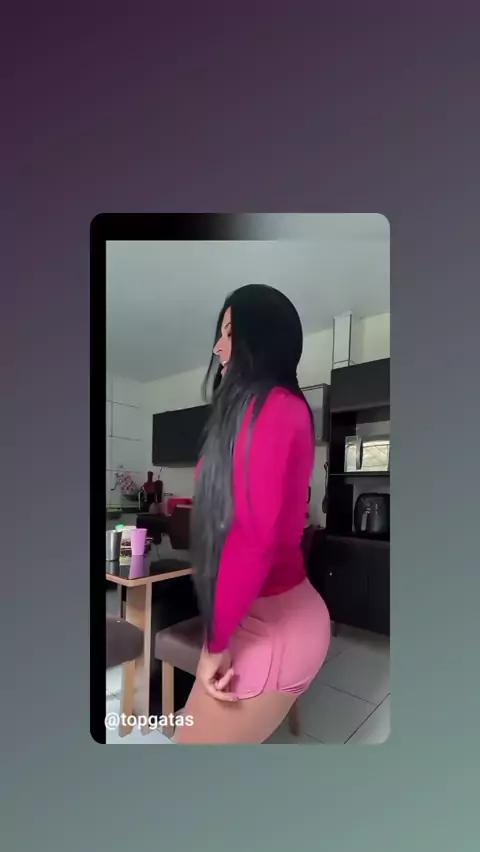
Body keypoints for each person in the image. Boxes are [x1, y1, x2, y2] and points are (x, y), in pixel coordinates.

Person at [175, 284, 331, 744]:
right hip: (254, 615)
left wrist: (215, 644)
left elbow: (249, 539)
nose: (217, 347)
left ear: (259, 338)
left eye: (229, 332)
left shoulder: (274, 408)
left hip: (274, 623)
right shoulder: (258, 412)